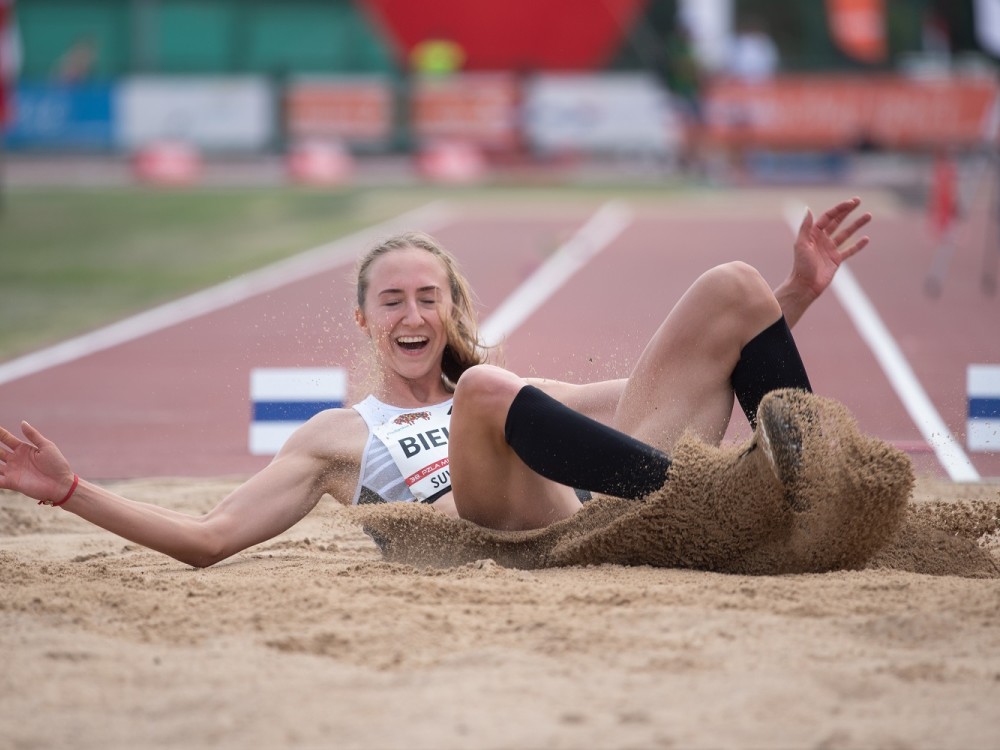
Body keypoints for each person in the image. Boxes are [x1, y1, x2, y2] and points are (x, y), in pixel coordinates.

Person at [0, 197, 872, 568]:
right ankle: (705, 501)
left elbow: (682, 381)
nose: (412, 315)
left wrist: (795, 297)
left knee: (734, 285)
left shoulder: (521, 398)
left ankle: (808, 491)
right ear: (366, 323)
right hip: (508, 546)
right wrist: (71, 490)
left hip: (600, 512)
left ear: (450, 308)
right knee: (493, 391)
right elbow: (209, 538)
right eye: (392, 301)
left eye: (428, 297)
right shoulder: (336, 437)